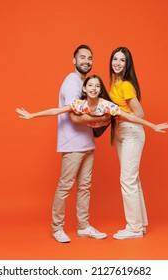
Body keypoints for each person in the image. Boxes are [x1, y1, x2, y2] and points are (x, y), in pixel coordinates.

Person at [17, 45, 109, 243]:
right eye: (82, 57)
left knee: (85, 187)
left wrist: (100, 119)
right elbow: (75, 118)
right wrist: (100, 119)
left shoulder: (85, 83)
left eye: (90, 58)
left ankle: (83, 226)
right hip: (72, 144)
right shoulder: (72, 82)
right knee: (65, 186)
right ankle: (57, 228)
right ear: (74, 60)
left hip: (87, 143)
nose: (87, 61)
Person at [108, 46, 168, 240]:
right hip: (122, 133)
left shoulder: (126, 85)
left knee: (127, 180)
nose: (117, 63)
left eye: (122, 60)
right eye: (115, 59)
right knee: (132, 179)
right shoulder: (113, 84)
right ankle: (140, 224)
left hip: (132, 133)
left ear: (127, 65)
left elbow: (140, 114)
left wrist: (119, 113)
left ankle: (133, 228)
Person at [16, 75, 168, 134]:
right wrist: (32, 115)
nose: (94, 89)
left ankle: (111, 113)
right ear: (84, 88)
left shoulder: (106, 105)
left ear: (100, 89)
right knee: (75, 116)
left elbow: (133, 117)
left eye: (97, 86)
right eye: (90, 85)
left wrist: (152, 125)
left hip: (104, 122)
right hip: (92, 124)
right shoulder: (79, 104)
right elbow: (56, 110)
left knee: (115, 114)